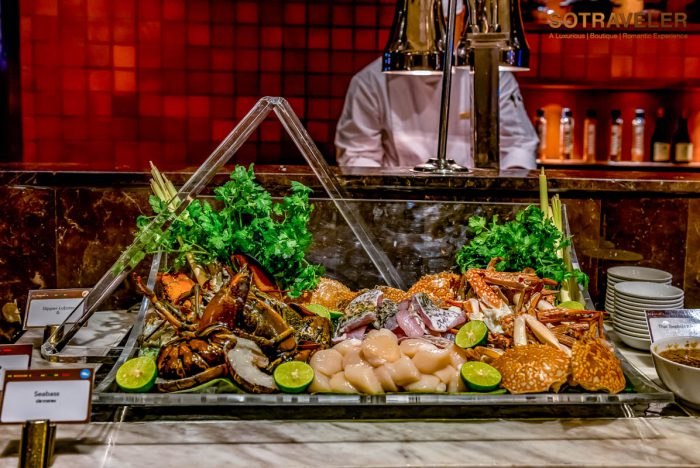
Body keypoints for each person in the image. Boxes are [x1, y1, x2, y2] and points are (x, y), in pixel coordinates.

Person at [335, 3, 538, 169]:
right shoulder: (370, 82)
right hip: (397, 198)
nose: (439, 37)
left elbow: (518, 146)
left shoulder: (491, 77)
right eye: (431, 26)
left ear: (462, 21)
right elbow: (358, 155)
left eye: (447, 24)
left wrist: (504, 193)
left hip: (469, 198)